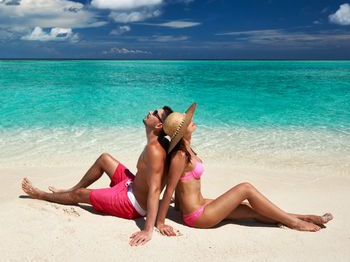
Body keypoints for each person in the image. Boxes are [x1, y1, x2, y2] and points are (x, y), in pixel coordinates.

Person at [156, 103, 333, 235]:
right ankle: (295, 224)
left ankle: (303, 217)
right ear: (181, 132)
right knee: (245, 188)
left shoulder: (188, 149)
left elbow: (182, 188)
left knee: (249, 208)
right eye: (188, 122)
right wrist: (161, 223)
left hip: (203, 205)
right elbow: (170, 189)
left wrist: (178, 206)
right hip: (198, 216)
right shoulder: (179, 156)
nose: (192, 121)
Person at [22, 106, 173, 246]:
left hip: (132, 204)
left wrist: (148, 230)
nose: (150, 112)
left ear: (159, 125)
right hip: (131, 184)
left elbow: (155, 189)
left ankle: (42, 195)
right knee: (104, 159)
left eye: (154, 113)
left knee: (80, 195)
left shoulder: (155, 150)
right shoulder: (160, 143)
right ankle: (70, 189)